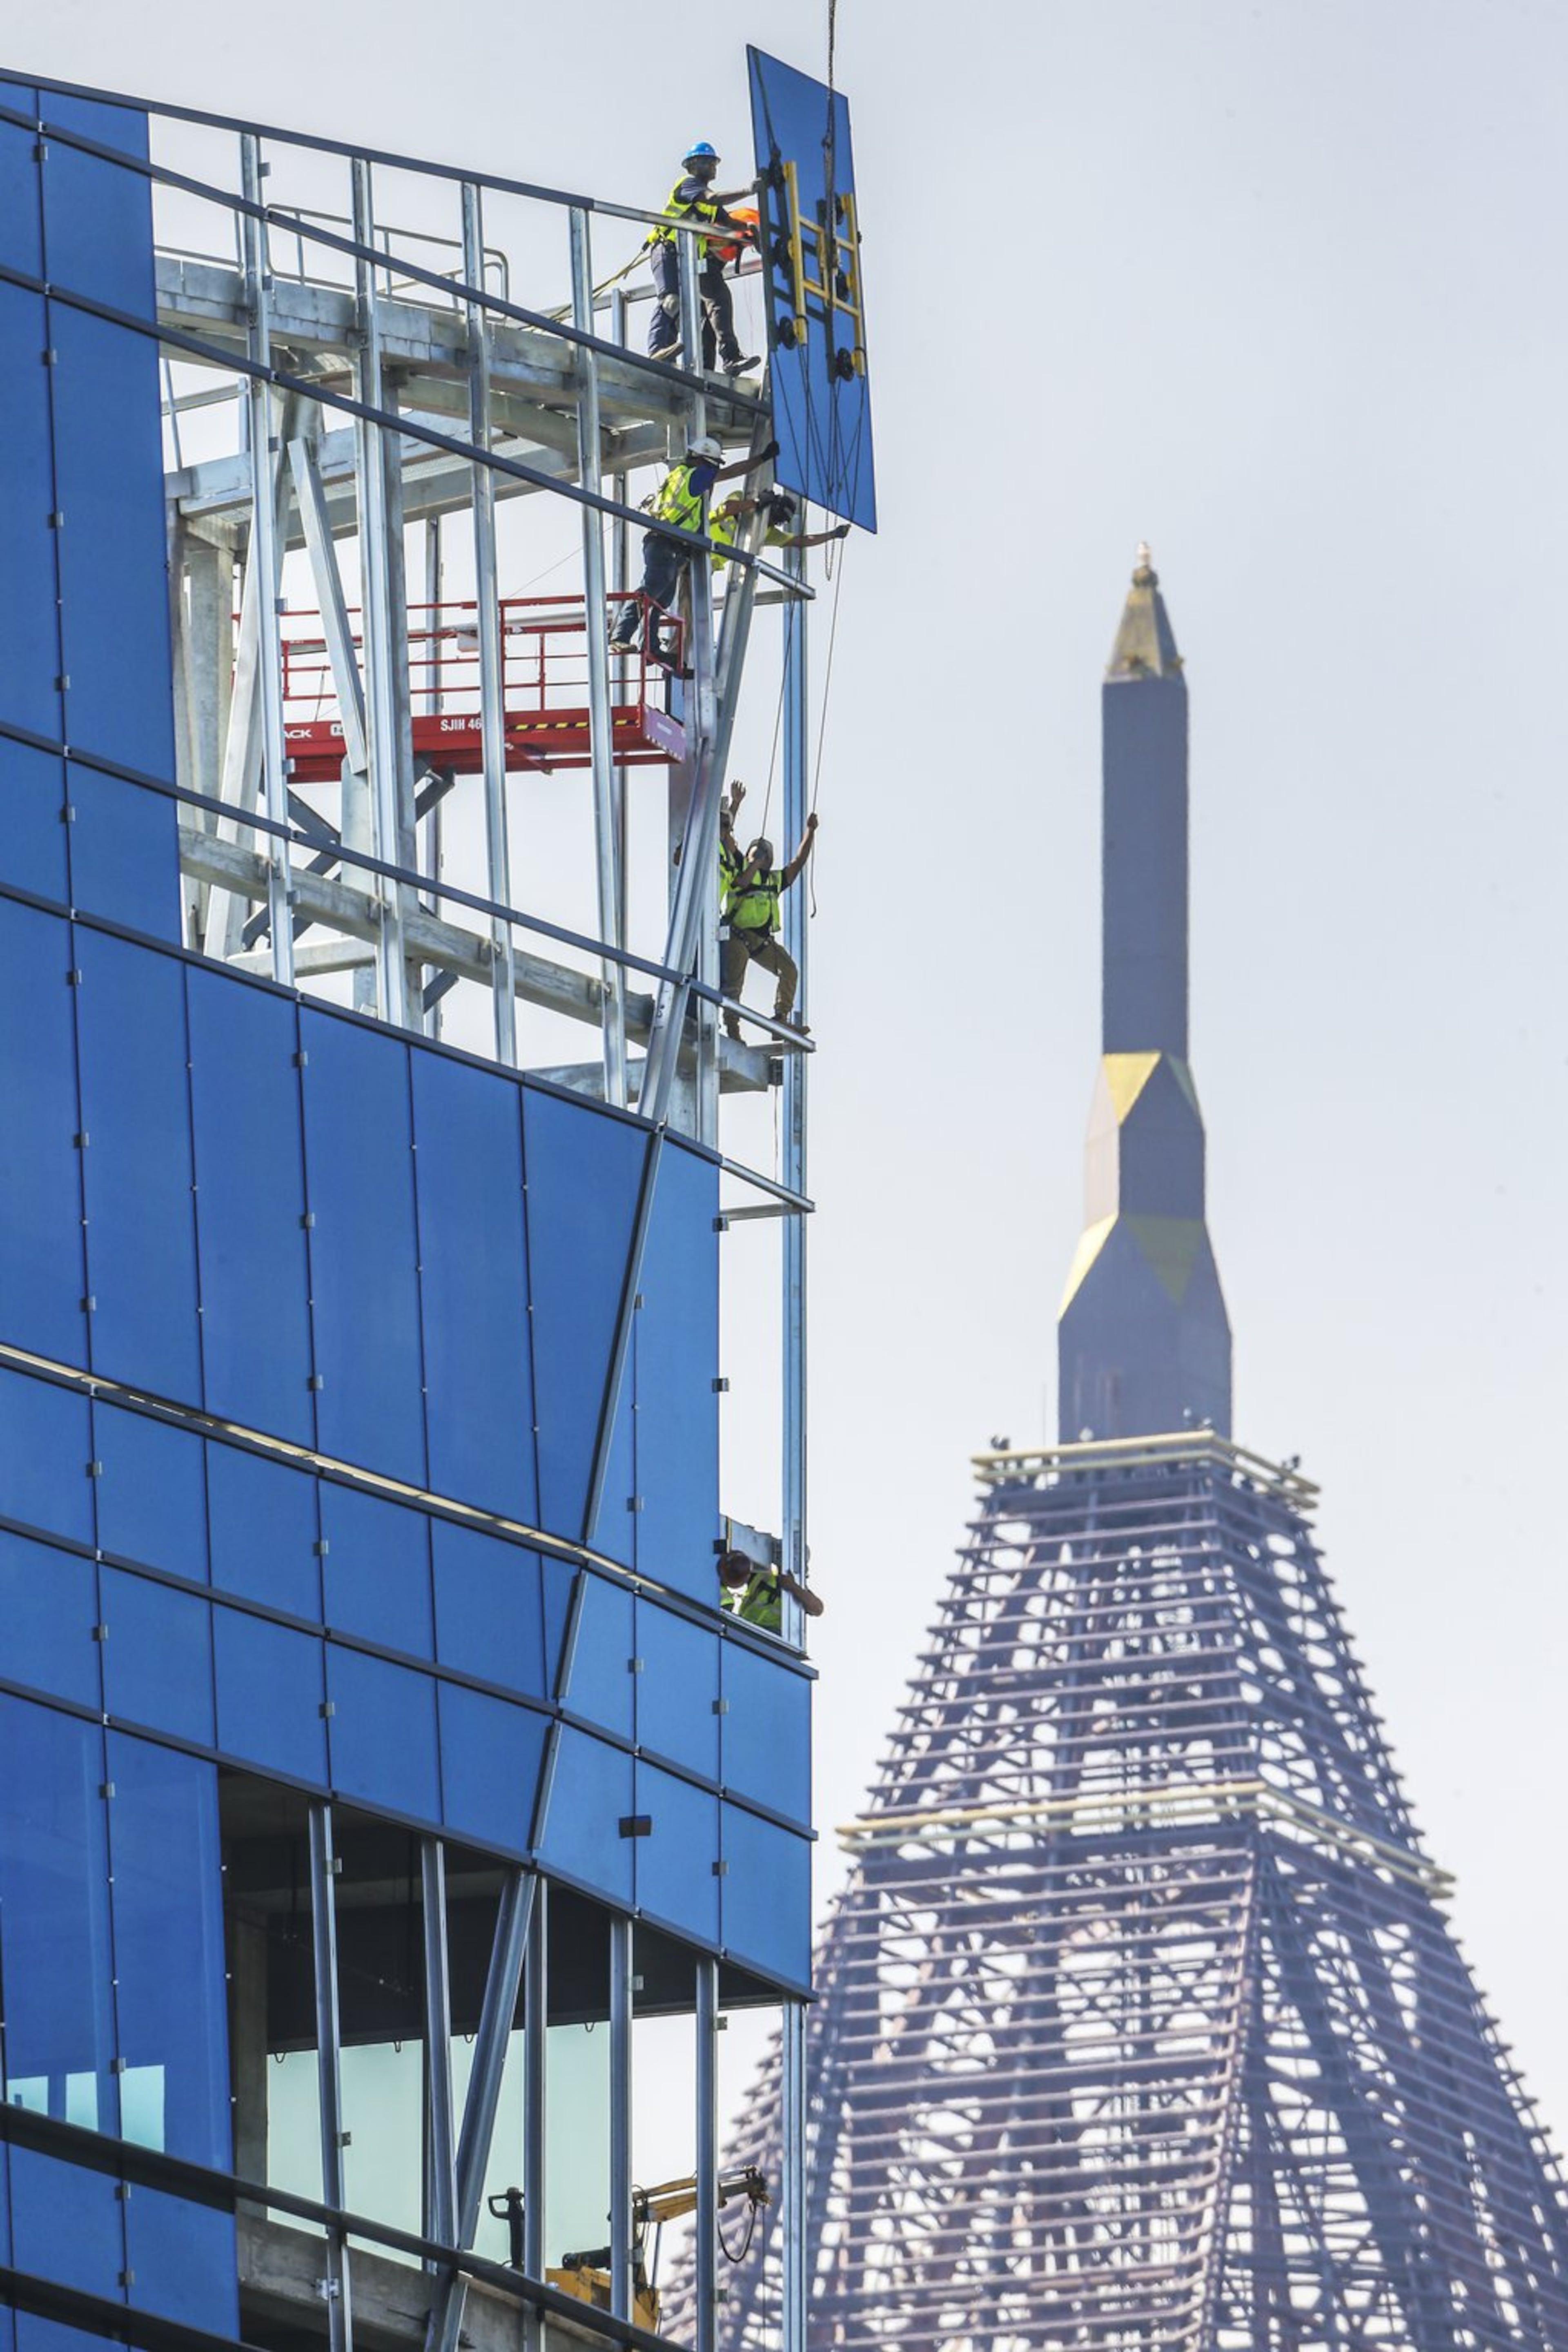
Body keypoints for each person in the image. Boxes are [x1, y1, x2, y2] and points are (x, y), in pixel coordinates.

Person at [609, 436, 777, 657]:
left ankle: (651, 647)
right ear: (702, 460)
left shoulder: (679, 474)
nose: (712, 471)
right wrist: (763, 458)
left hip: (669, 545)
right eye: (711, 465)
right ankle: (621, 636)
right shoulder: (696, 476)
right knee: (650, 591)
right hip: (666, 543)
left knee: (660, 600)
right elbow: (731, 472)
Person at [645, 143, 760, 376]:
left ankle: (728, 358)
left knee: (713, 301)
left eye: (713, 162)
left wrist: (748, 229)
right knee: (671, 300)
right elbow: (714, 198)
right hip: (667, 249)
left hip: (690, 259)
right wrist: (748, 191)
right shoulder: (688, 186)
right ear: (692, 166)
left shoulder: (708, 205)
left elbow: (727, 222)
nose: (712, 167)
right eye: (706, 162)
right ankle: (658, 350)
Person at [720, 794, 819, 1041]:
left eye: (765, 854)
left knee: (789, 970)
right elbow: (727, 838)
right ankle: (733, 1030)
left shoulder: (775, 880)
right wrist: (736, 806)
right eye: (757, 852)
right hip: (737, 937)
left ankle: (780, 1019)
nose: (761, 855)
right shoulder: (741, 868)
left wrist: (810, 831)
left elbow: (799, 861)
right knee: (734, 985)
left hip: (762, 941)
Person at [709, 489, 851, 565]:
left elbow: (801, 541)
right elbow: (728, 509)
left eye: (775, 521)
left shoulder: (768, 532)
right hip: (699, 538)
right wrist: (756, 502)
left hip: (711, 563)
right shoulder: (742, 497)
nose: (770, 522)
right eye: (772, 517)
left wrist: (833, 535)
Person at [718, 1549, 824, 1634]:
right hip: (747, 1628)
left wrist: (792, 1586)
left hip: (771, 1638)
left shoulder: (798, 1590)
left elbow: (817, 1608)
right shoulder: (765, 1576)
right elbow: (738, 1573)